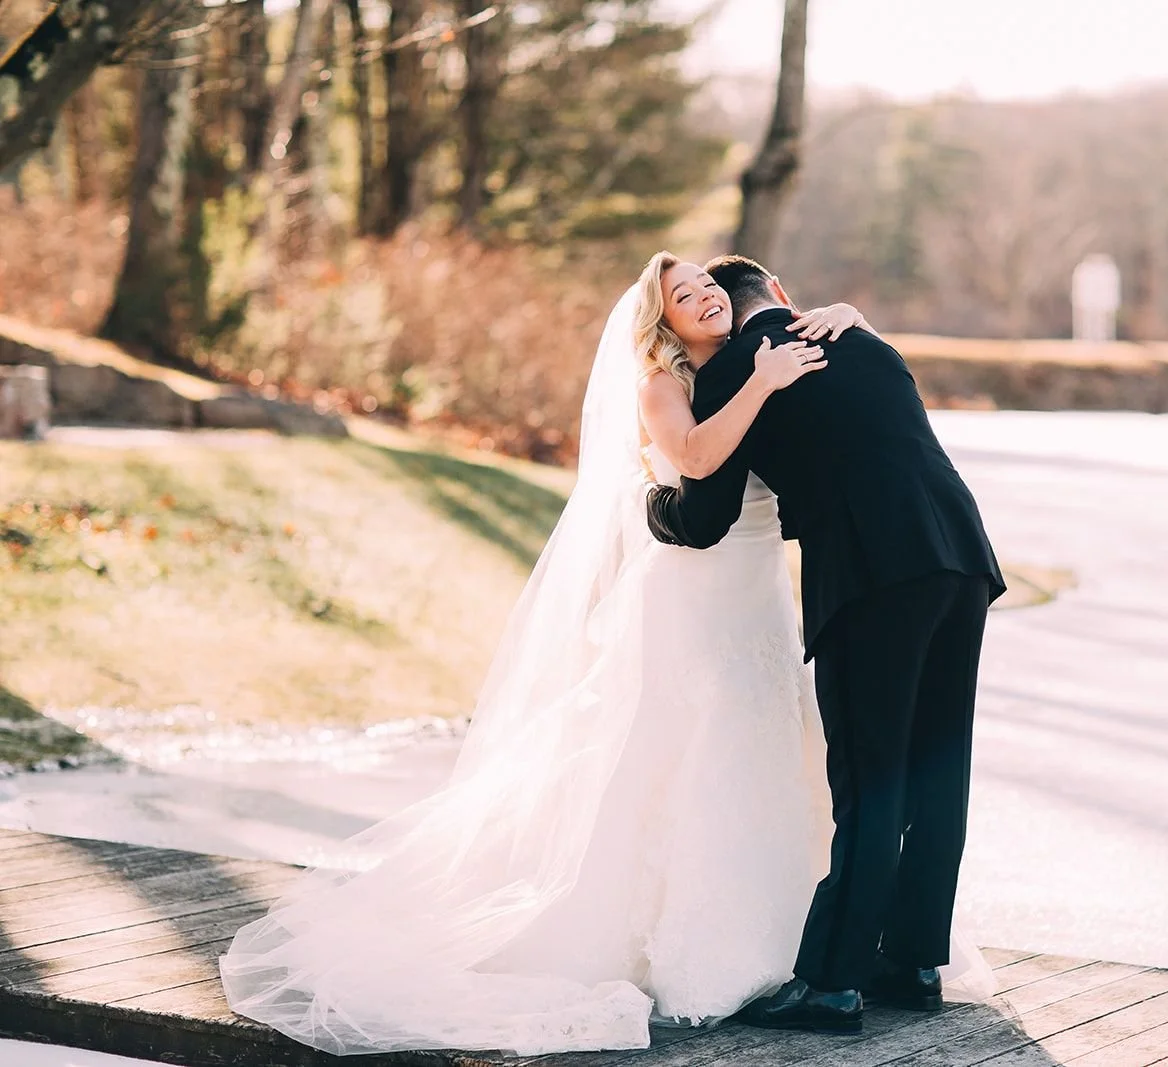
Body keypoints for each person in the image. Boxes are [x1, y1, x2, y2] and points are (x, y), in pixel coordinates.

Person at [219, 255, 897, 1055]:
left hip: (759, 595)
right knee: (692, 756)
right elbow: (701, 459)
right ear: (663, 322)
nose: (704, 296)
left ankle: (797, 947)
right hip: (694, 599)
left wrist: (847, 317)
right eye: (683, 295)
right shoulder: (663, 384)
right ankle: (688, 950)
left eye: (708, 285)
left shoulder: (762, 356)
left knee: (766, 752)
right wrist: (764, 382)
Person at [646, 253, 1005, 1036]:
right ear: (780, 294)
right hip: (963, 556)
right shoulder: (864, 340)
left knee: (870, 778)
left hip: (875, 575)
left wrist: (652, 510)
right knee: (939, 767)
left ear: (735, 309)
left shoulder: (738, 369)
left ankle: (831, 983)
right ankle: (911, 962)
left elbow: (703, 518)